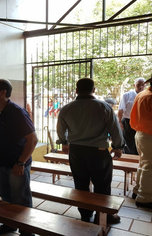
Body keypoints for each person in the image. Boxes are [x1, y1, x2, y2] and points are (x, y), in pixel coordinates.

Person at [57, 78, 124, 224]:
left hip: (76, 151)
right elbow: (115, 129)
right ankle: (104, 215)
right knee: (102, 184)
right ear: (94, 90)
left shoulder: (67, 108)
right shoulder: (104, 107)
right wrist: (118, 147)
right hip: (98, 152)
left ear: (76, 90)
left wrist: (64, 142)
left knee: (80, 183)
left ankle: (85, 214)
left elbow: (61, 130)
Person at [0, 79, 38, 236]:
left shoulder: (17, 112)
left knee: (20, 198)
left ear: (3, 93)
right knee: (5, 196)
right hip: (1, 163)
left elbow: (33, 140)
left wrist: (21, 162)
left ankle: (27, 231)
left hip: (17, 164)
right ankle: (9, 225)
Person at [130, 74, 152, 208]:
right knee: (149, 167)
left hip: (141, 134)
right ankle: (144, 197)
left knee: (144, 164)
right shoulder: (150, 97)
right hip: (150, 135)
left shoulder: (142, 94)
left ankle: (138, 190)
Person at [118, 78, 145, 154]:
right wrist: (119, 121)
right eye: (138, 85)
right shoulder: (127, 96)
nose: (140, 87)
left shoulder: (146, 96)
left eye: (142, 85)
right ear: (134, 85)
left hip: (142, 123)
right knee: (130, 143)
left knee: (140, 143)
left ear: (145, 85)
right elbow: (121, 109)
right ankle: (131, 160)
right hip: (128, 121)